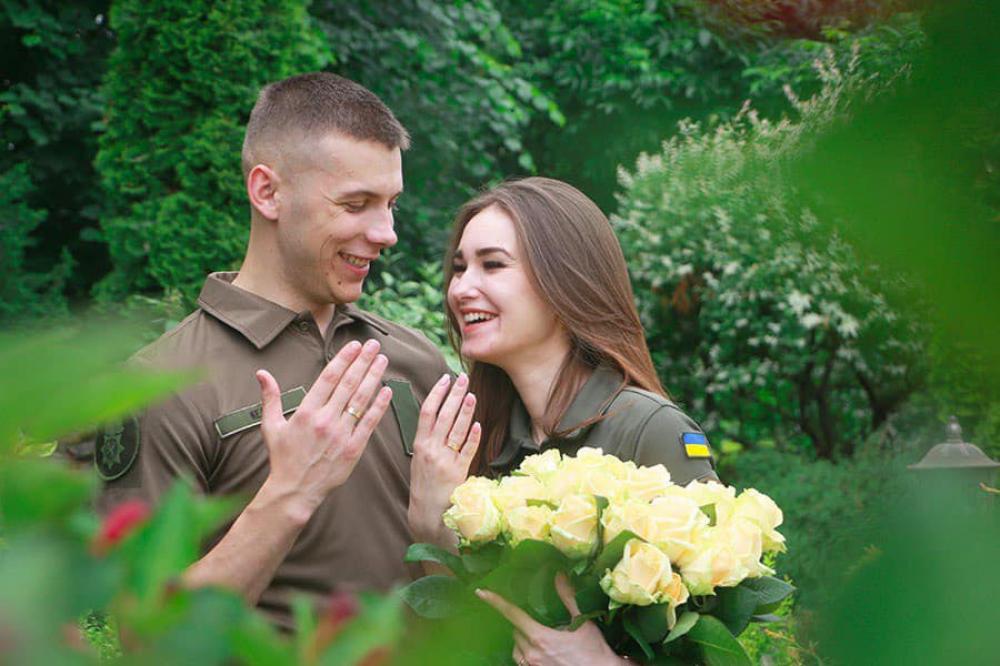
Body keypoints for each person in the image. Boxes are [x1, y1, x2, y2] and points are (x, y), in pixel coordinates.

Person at [95, 72, 478, 629]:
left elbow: (465, 584)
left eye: (391, 204)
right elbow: (144, 633)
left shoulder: (415, 361)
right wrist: (291, 494)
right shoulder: (157, 386)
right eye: (356, 204)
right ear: (268, 192)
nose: (387, 232)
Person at [409, 177, 719, 665]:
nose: (461, 289)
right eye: (459, 268)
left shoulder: (651, 430)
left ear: (564, 280)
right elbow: (463, 640)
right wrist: (431, 525)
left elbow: (713, 645)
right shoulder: (479, 441)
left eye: (493, 264)